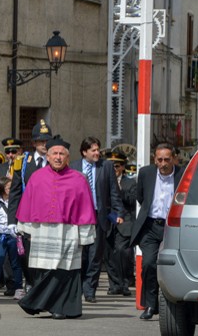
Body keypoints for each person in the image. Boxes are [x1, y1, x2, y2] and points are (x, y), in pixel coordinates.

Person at [16, 138, 96, 319]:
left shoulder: (78, 179)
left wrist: (84, 234)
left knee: (65, 270)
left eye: (62, 154)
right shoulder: (37, 177)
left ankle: (61, 307)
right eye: (54, 154)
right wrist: (25, 227)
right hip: (42, 231)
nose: (58, 157)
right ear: (48, 156)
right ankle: (48, 305)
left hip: (68, 233)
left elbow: (85, 208)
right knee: (45, 270)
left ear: (67, 158)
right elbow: (28, 203)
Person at [130, 143, 183, 320]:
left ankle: (175, 303)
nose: (163, 163)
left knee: (174, 265)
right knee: (149, 264)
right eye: (159, 160)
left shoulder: (182, 174)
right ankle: (150, 304)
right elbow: (140, 197)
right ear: (155, 159)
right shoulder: (146, 173)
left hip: (174, 227)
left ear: (174, 158)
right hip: (151, 226)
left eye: (167, 159)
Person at [70, 136, 124, 303]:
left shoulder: (106, 166)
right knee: (81, 255)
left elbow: (114, 191)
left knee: (95, 255)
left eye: (98, 149)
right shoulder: (74, 167)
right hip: (79, 217)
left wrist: (118, 212)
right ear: (84, 151)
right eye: (93, 150)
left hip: (99, 215)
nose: (97, 153)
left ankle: (90, 290)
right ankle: (77, 288)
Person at [7, 120, 53, 292]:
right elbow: (15, 192)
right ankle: (31, 280)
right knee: (25, 253)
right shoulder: (24, 162)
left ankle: (40, 286)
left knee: (45, 253)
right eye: (41, 141)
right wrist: (12, 220)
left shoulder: (55, 160)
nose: (44, 145)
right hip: (27, 216)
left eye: (47, 141)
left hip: (48, 216)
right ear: (34, 143)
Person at [104, 152, 136, 296]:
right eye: (110, 166)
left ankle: (124, 283)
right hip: (108, 221)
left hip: (124, 222)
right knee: (109, 254)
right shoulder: (103, 181)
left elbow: (132, 200)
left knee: (123, 252)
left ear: (122, 167)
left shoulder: (129, 182)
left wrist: (117, 189)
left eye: (116, 166)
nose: (113, 169)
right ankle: (114, 285)